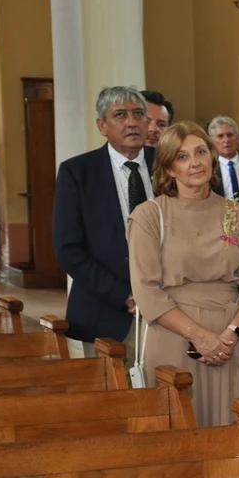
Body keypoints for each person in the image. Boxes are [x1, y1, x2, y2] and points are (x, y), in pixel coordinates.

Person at [127, 121, 239, 427]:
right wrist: (200, 337)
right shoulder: (150, 216)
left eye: (200, 152)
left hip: (232, 344)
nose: (195, 163)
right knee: (178, 436)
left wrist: (229, 337)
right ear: (168, 168)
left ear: (212, 157)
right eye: (182, 157)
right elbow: (146, 290)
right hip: (174, 340)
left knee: (232, 440)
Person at [53, 86, 154, 361]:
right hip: (105, 315)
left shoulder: (166, 167)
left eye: (137, 114)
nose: (131, 122)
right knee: (112, 402)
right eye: (120, 115)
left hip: (168, 317)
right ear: (102, 125)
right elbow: (69, 250)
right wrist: (124, 295)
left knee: (169, 398)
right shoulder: (78, 172)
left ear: (147, 121)